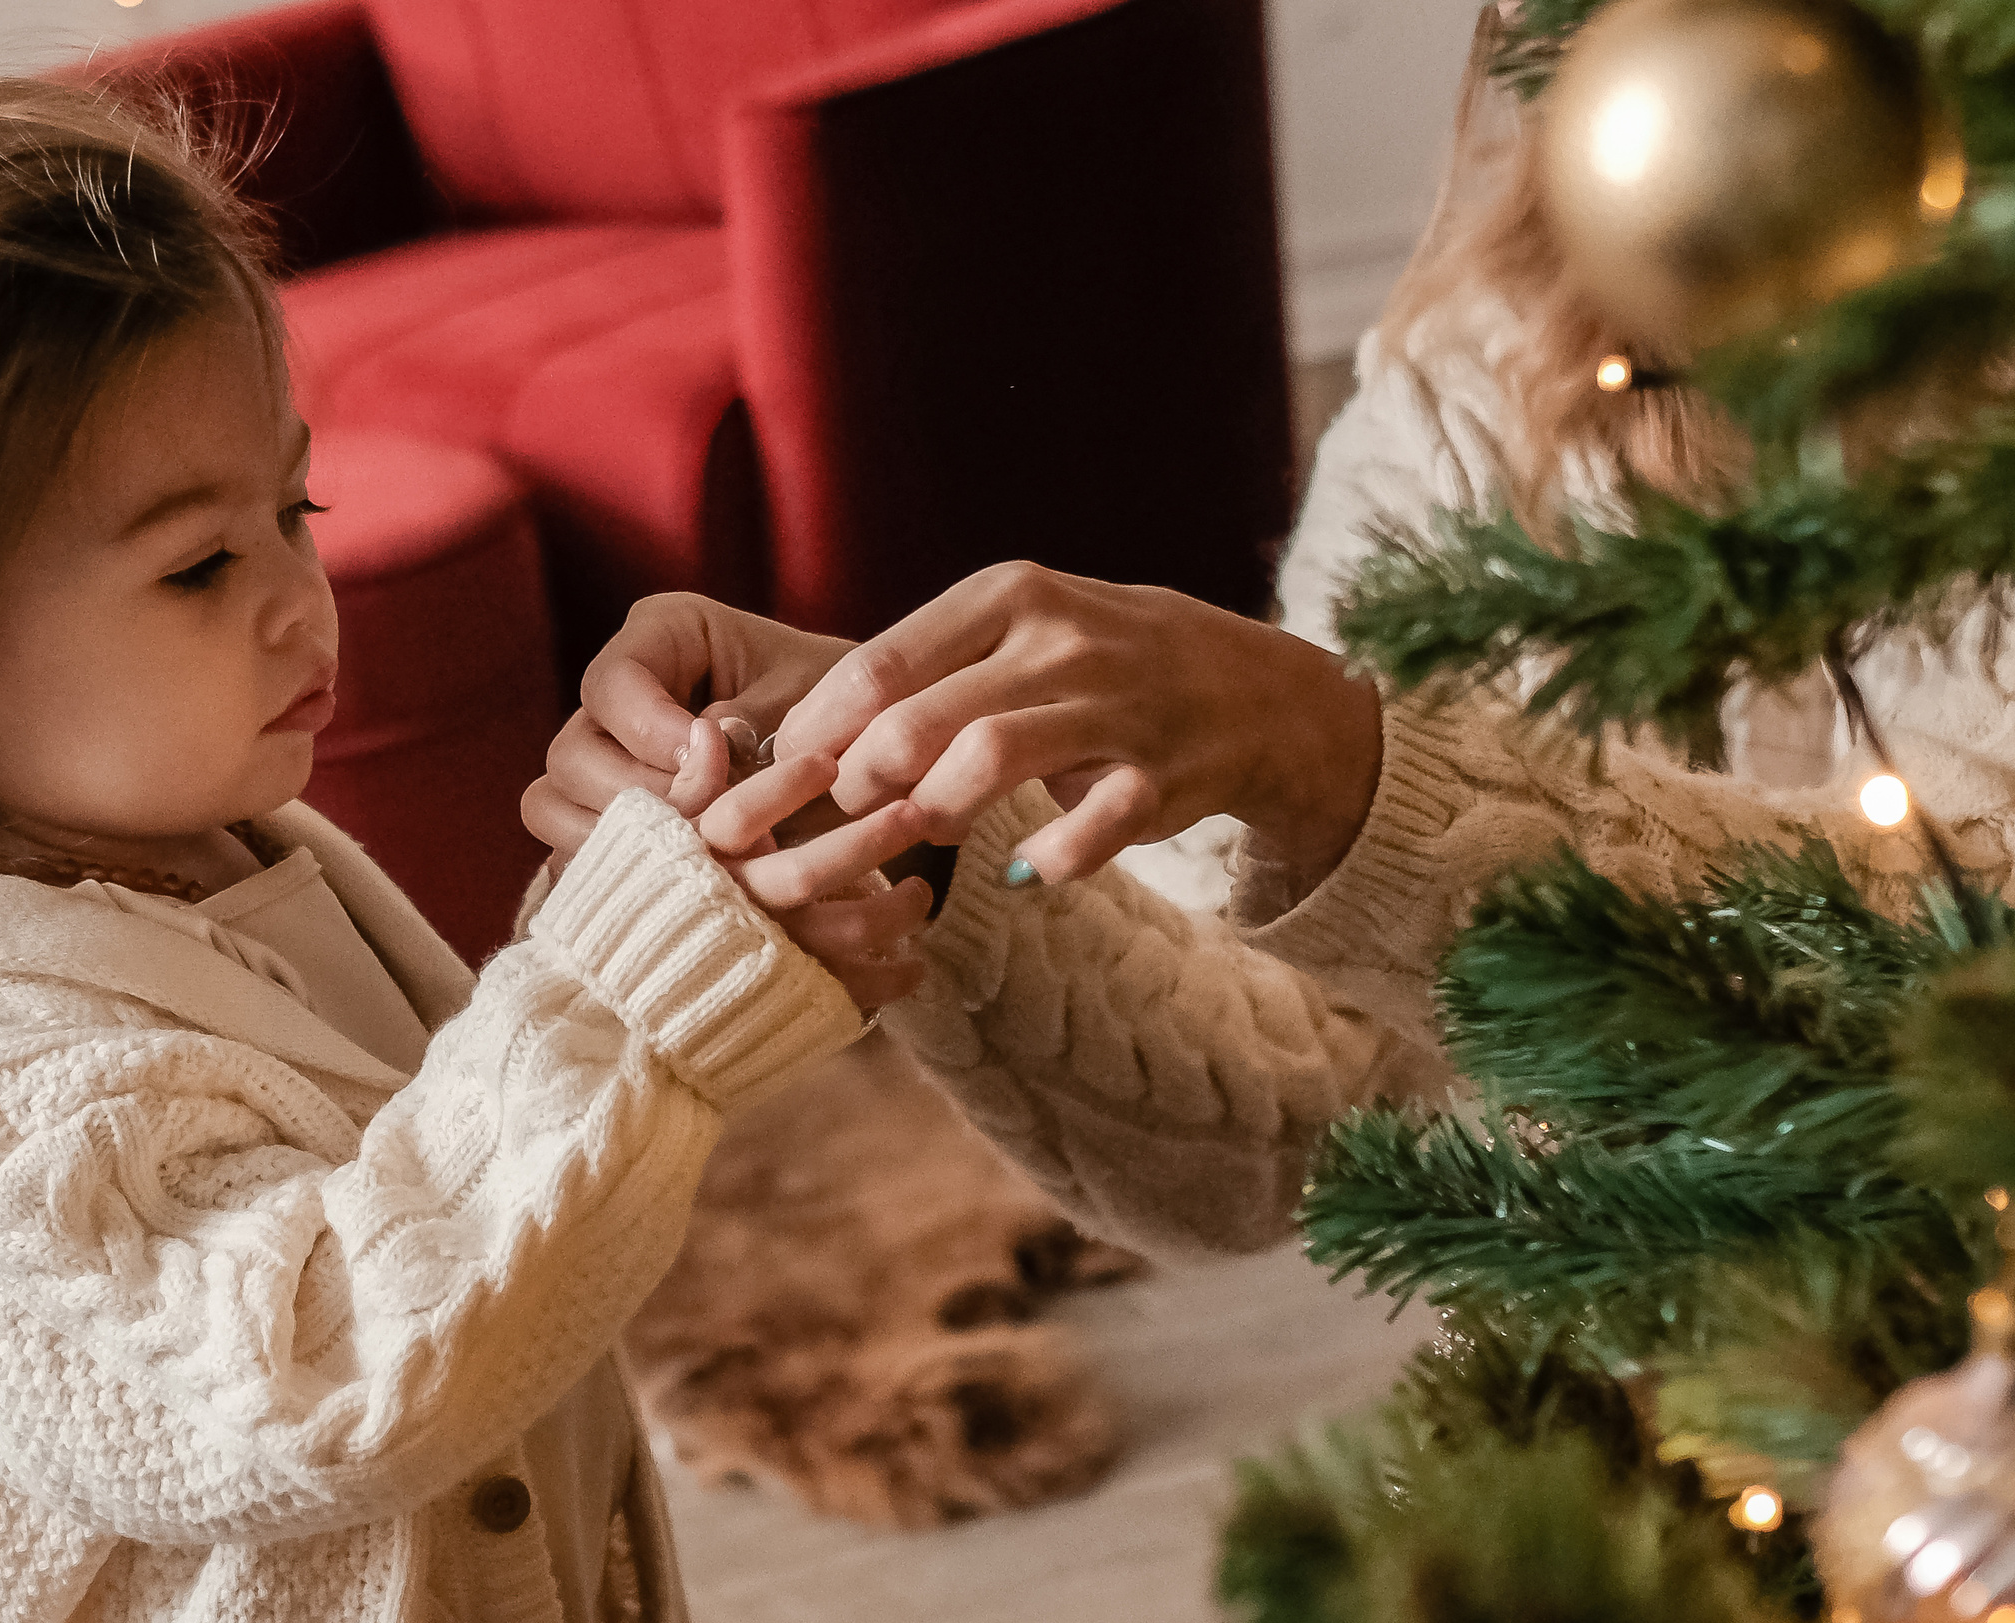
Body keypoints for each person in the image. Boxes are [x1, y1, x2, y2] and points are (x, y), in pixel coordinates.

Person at [0, 77, 938, 1623]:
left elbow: (469, 1175)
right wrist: (620, 983)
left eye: (292, 509)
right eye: (199, 566)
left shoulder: (234, 860)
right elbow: (335, 1371)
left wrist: (739, 956)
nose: (305, 602)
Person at [524, 15, 2015, 1263]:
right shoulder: (1496, 360)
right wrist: (920, 812)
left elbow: (1956, 998)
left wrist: (1349, 762)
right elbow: (1273, 1119)